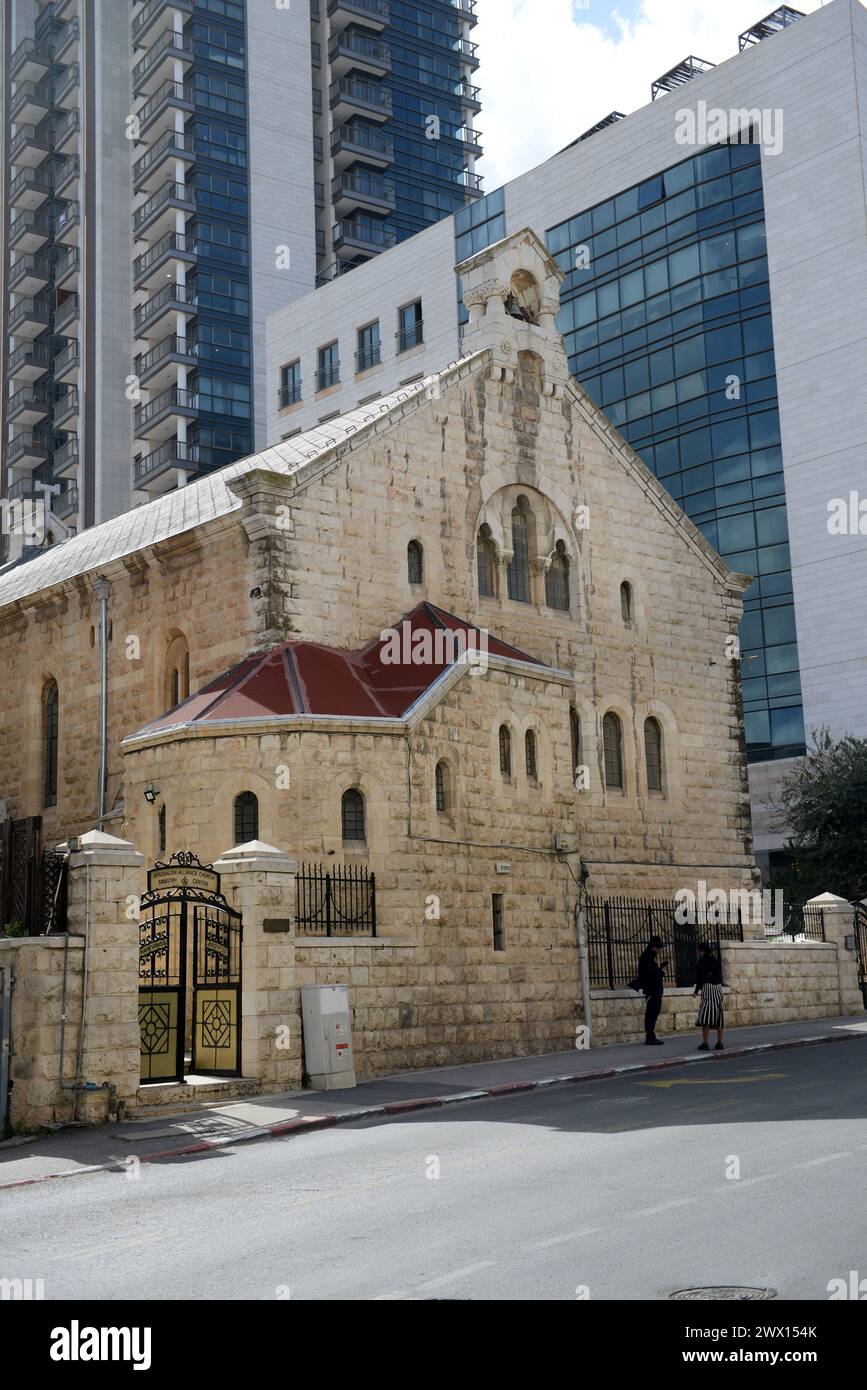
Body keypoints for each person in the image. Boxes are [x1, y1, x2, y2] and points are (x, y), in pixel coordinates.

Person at [694, 942, 725, 1051]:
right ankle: (719, 1042)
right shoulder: (716, 960)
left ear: (702, 950)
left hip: (707, 988)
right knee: (718, 1016)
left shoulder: (702, 961)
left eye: (699, 950)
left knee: (705, 1016)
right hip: (718, 989)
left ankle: (705, 1042)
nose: (698, 952)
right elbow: (720, 975)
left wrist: (696, 991)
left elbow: (699, 978)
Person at [637, 935, 666, 1045]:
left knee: (654, 1010)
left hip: (654, 990)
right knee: (652, 1011)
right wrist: (660, 972)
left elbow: (652, 971)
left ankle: (651, 1035)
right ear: (653, 947)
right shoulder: (646, 957)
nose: (659, 951)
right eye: (658, 948)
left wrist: (659, 969)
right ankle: (650, 1036)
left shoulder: (649, 957)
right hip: (652, 990)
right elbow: (649, 974)